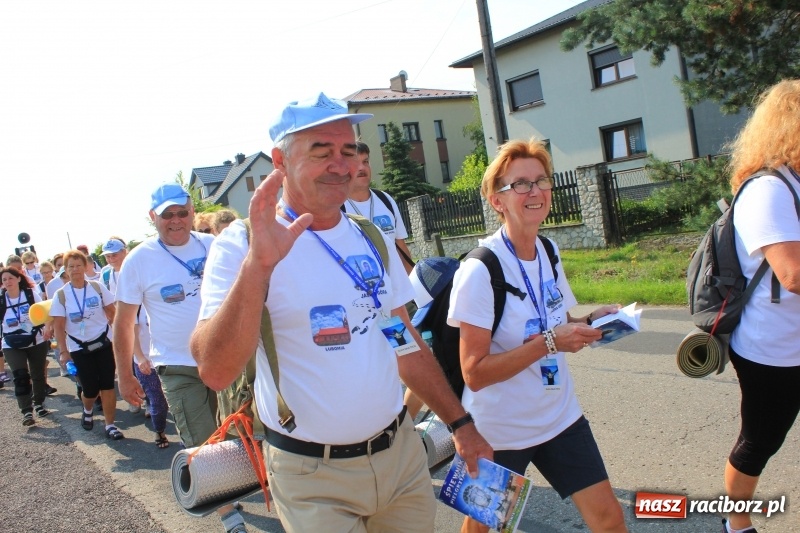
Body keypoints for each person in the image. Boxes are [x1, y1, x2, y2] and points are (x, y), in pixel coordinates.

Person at [190, 92, 491, 533]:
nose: (340, 164)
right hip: (312, 478)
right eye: (321, 151)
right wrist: (258, 268)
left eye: (348, 150)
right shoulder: (242, 244)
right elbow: (215, 371)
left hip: (401, 459)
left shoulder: (371, 236)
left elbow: (403, 341)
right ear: (280, 161)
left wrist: (460, 423)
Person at [447, 138, 626, 533]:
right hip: (500, 430)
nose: (535, 191)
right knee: (482, 529)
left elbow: (556, 319)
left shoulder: (548, 249)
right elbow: (474, 372)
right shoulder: (480, 270)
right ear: (497, 200)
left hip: (559, 415)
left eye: (541, 180)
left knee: (609, 518)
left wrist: (592, 320)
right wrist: (550, 343)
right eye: (521, 184)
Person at [113, 184, 244, 531]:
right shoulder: (139, 260)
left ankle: (240, 487)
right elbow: (123, 323)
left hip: (225, 358)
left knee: (238, 433)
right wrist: (125, 374)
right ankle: (230, 516)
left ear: (192, 212)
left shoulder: (213, 246)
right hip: (177, 366)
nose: (176, 220)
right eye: (167, 214)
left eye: (182, 213)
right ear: (153, 217)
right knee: (202, 443)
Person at [719, 79, 800, 533]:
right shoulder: (769, 189)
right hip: (773, 349)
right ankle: (736, 523)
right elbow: (793, 274)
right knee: (760, 441)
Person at [50, 250, 123, 439]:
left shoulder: (97, 287)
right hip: (79, 347)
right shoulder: (61, 295)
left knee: (107, 385)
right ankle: (88, 409)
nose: (75, 269)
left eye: (78, 265)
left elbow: (112, 311)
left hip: (103, 342)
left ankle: (110, 425)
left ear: (85, 267)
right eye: (71, 266)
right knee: (90, 390)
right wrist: (63, 351)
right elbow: (59, 325)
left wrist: (118, 335)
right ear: (65, 270)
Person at [343, 141, 414, 274]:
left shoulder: (385, 200)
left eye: (365, 161)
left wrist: (412, 283)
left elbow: (401, 249)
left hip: (394, 285)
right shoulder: (337, 207)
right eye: (355, 162)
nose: (362, 168)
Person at [1, 266, 52, 425]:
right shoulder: (1, 300)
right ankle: (27, 411)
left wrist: (48, 328)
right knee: (20, 376)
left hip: (36, 339)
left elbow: (45, 312)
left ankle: (39, 403)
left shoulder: (30, 295)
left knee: (37, 374)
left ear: (18, 279)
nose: (7, 282)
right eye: (4, 280)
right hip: (11, 343)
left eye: (10, 278)